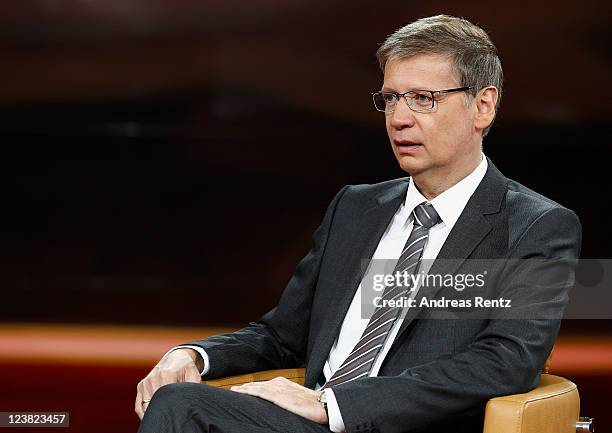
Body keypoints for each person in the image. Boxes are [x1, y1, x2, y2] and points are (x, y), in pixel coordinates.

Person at [135, 15, 581, 433]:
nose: (399, 119)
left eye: (423, 99)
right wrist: (195, 353)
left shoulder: (536, 226)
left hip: (398, 423)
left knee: (181, 407)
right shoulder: (356, 207)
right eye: (390, 99)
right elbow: (282, 335)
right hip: (306, 421)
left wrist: (336, 404)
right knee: (177, 395)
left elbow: (506, 360)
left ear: (483, 105)